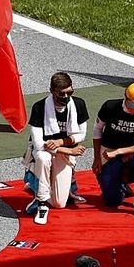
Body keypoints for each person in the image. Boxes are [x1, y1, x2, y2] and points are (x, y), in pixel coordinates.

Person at [24, 73, 89, 225]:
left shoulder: (78, 104)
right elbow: (39, 144)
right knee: (43, 158)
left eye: (70, 92)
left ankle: (35, 183)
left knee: (59, 203)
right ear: (52, 90)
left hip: (61, 148)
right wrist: (68, 150)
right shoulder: (39, 107)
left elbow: (81, 135)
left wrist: (59, 142)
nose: (66, 97)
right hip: (45, 151)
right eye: (61, 93)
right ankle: (41, 202)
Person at [92, 82, 134, 220]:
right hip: (108, 151)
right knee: (111, 202)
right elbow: (97, 131)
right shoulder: (110, 106)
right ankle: (120, 185)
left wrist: (120, 152)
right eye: (132, 106)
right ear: (125, 98)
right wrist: (97, 158)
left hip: (131, 151)